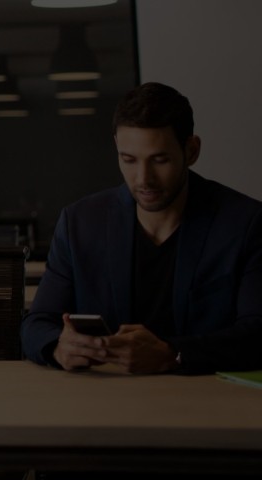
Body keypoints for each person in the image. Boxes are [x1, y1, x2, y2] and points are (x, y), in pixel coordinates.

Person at [22, 82, 262, 375]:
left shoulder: (245, 222)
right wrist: (59, 346)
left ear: (192, 150)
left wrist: (171, 355)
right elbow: (36, 325)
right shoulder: (81, 223)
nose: (143, 178)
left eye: (159, 160)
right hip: (107, 400)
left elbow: (257, 333)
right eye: (129, 160)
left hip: (207, 401)